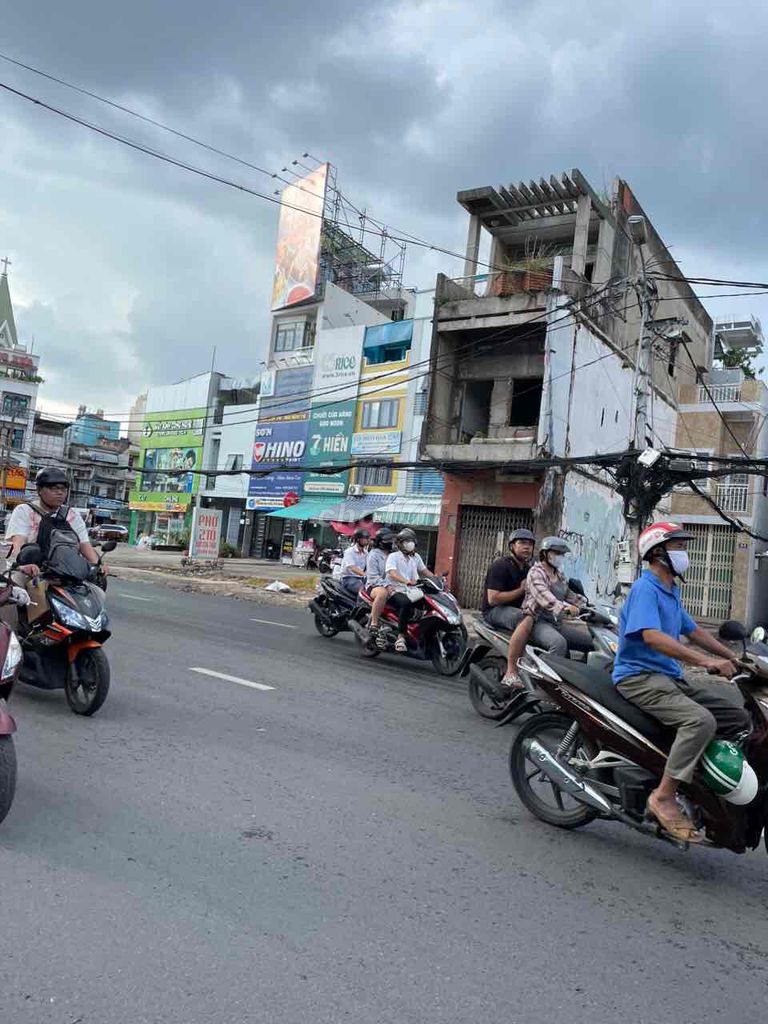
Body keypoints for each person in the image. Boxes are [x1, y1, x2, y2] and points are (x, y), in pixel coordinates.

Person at [613, 521, 750, 843]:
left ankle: (703, 778)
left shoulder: (671, 590)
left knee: (737, 718)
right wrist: (705, 662)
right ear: (658, 553)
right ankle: (662, 795)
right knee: (699, 721)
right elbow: (652, 637)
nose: (685, 553)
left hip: (668, 677)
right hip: (638, 677)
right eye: (679, 547)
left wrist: (733, 659)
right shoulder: (645, 588)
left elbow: (694, 631)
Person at [501, 537, 587, 686]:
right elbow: (545, 598)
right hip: (536, 621)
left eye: (562, 554)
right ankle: (548, 686)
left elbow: (570, 595)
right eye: (556, 553)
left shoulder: (559, 574)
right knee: (558, 643)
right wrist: (565, 608)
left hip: (556, 622)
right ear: (545, 554)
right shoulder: (536, 573)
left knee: (589, 642)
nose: (560, 557)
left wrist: (587, 606)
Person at [5, 468, 100, 577]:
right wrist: (21, 564)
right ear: (39, 490)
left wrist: (98, 565)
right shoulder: (25, 510)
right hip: (29, 569)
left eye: (63, 489)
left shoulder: (72, 515)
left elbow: (84, 544)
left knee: (97, 593)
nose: (60, 493)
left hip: (64, 572)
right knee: (16, 586)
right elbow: (19, 542)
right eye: (54, 488)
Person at [385, 528, 439, 653]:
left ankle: (419, 632)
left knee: (429, 603)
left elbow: (425, 571)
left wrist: (438, 580)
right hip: (395, 590)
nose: (409, 544)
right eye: (406, 541)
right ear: (400, 543)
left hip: (412, 590)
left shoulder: (416, 557)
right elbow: (392, 573)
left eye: (411, 541)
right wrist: (406, 581)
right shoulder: (393, 556)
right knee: (406, 603)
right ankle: (401, 636)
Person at [482, 529, 536, 630]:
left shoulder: (528, 569)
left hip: (517, 609)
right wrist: (521, 590)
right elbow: (493, 599)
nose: (527, 547)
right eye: (522, 543)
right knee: (524, 618)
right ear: (512, 546)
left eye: (530, 544)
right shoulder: (501, 565)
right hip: (494, 611)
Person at [366, 528, 395, 649]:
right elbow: (373, 577)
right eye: (387, 540)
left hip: (394, 586)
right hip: (375, 586)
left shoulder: (394, 554)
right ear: (380, 541)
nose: (390, 541)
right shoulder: (374, 555)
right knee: (382, 594)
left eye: (391, 539)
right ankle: (374, 623)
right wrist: (386, 585)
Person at [339, 528, 370, 596]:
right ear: (358, 539)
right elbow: (352, 567)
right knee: (363, 591)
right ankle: (358, 606)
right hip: (348, 579)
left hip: (361, 579)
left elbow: (369, 567)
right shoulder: (349, 552)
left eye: (368, 538)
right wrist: (364, 575)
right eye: (365, 538)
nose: (368, 540)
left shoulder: (366, 553)